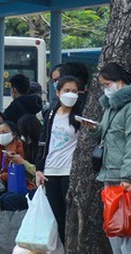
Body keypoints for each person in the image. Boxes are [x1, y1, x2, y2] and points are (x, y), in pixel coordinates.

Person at [83, 63, 131, 254]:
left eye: (106, 84)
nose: (105, 89)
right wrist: (94, 129)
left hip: (126, 177)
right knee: (115, 227)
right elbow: (109, 134)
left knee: (129, 230)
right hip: (111, 173)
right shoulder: (112, 107)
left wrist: (128, 176)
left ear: (119, 82)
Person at [35, 75, 83, 245]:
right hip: (50, 171)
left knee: (71, 217)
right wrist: (39, 169)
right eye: (67, 91)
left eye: (74, 91)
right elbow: (43, 141)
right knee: (57, 216)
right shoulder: (50, 114)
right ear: (58, 93)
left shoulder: (80, 115)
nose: (71, 94)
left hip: (69, 172)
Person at [0, 120, 35, 211]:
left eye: (4, 132)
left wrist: (0, 176)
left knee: (7, 199)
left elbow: (19, 173)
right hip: (5, 185)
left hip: (24, 186)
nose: (1, 135)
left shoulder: (20, 148)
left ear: (14, 134)